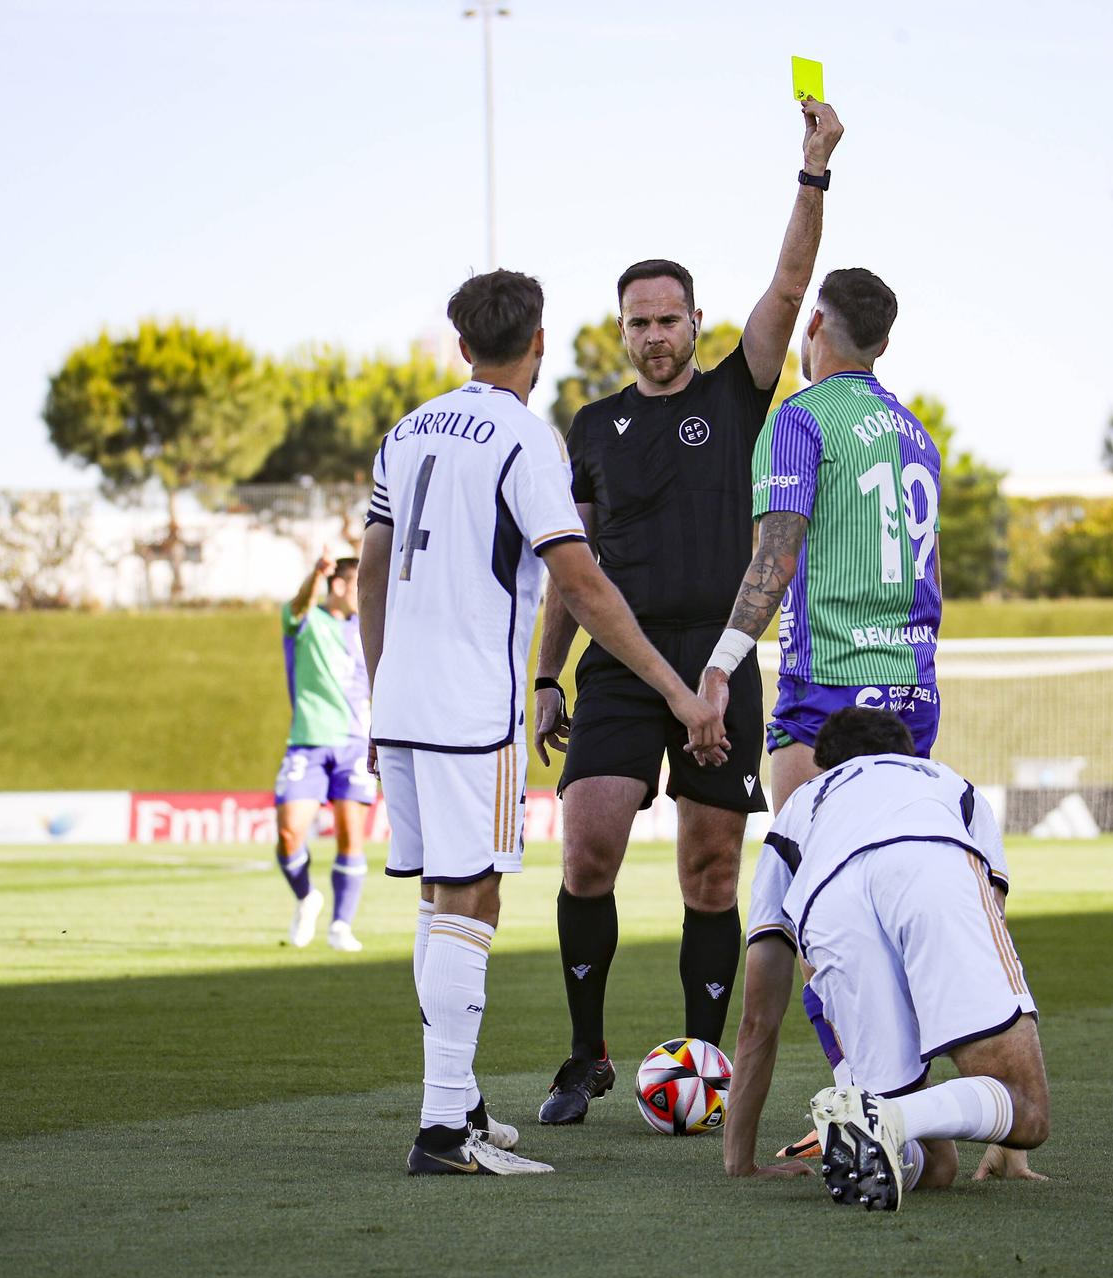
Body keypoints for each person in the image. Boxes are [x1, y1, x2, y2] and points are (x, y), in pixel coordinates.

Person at [360, 268, 728, 1177]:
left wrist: (378, 693)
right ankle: (444, 1129)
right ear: (538, 343)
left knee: (436, 898)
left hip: (402, 698)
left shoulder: (404, 433)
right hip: (464, 702)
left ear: (460, 345)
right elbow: (580, 579)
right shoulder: (526, 439)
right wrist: (677, 693)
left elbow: (369, 568)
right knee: (473, 897)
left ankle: (460, 1103)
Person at [531, 97, 846, 1126]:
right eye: (637, 322)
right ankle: (584, 1055)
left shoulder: (738, 391)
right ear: (617, 330)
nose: (655, 336)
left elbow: (791, 281)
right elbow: (567, 570)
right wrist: (544, 675)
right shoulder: (591, 426)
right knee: (588, 846)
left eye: (669, 319)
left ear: (694, 324)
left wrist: (812, 169)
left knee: (711, 868)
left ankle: (701, 1064)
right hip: (620, 669)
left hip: (719, 664)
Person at [702, 266, 940, 1160]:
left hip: (826, 698)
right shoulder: (916, 434)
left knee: (804, 916)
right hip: (912, 697)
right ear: (884, 340)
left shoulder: (800, 420)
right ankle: (982, 1125)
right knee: (915, 907)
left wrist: (722, 667)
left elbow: (775, 555)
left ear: (814, 326)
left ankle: (862, 1114)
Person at [721, 708, 1050, 1211]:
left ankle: (878, 1118)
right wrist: (1008, 1140)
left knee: (934, 1167)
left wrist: (740, 1159)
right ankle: (887, 1119)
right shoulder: (949, 784)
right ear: (908, 753)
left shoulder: (801, 807)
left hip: (829, 901)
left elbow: (758, 1016)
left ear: (822, 765)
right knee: (1025, 1110)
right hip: (932, 862)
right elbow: (986, 927)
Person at [272, 549, 377, 951]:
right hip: (308, 741)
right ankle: (306, 898)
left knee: (351, 838)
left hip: (354, 744)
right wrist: (314, 575)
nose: (363, 593)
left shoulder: (366, 627)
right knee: (287, 833)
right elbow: (298, 606)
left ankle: (340, 926)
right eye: (357, 585)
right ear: (337, 586)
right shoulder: (306, 621)